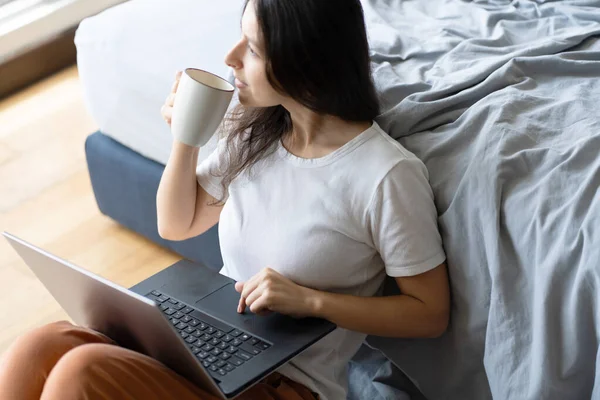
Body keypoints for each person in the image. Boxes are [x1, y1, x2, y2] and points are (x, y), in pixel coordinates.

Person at [0, 1, 450, 399]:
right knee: (38, 346)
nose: (230, 57)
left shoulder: (385, 177)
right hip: (213, 345)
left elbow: (429, 313)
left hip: (284, 384)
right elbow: (178, 225)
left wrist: (312, 301)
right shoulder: (260, 129)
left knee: (82, 373)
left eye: (252, 49)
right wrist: (186, 138)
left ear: (304, 59)